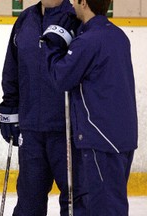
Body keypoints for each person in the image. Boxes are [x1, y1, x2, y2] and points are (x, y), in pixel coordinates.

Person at [41, 0, 138, 215]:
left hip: (100, 138)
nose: (72, 4)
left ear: (84, 3)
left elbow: (61, 78)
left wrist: (52, 45)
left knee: (105, 208)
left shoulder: (89, 41)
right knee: (112, 202)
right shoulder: (118, 35)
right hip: (122, 138)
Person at [0, 0, 87, 215]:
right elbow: (12, 67)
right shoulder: (25, 19)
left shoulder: (75, 18)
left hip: (66, 130)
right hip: (31, 130)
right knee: (29, 200)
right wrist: (9, 107)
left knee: (75, 201)